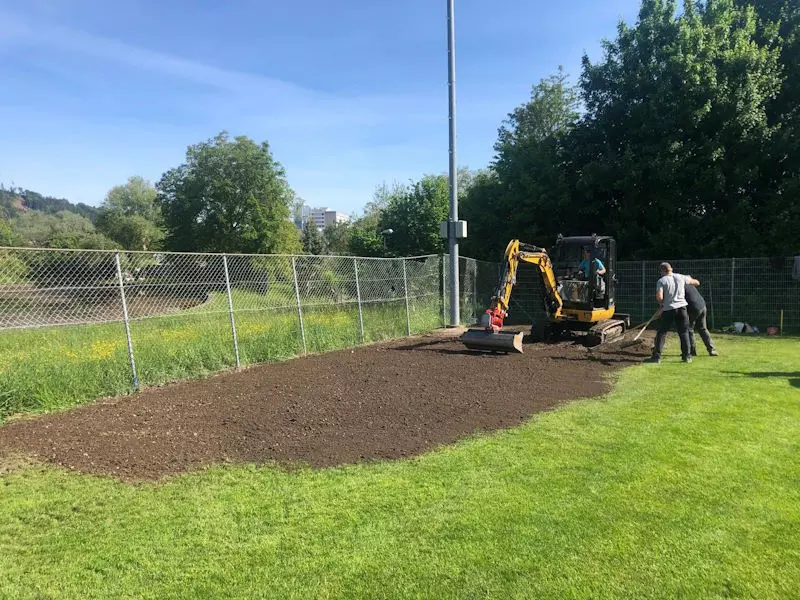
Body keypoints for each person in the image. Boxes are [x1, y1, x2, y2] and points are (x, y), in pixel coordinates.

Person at [645, 262, 699, 364]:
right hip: (682, 308)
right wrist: (688, 280)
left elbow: (660, 297)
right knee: (683, 332)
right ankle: (687, 356)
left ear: (662, 271)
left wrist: (661, 305)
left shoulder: (661, 281)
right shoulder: (680, 277)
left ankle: (657, 357)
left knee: (662, 332)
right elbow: (696, 282)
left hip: (669, 309)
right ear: (671, 269)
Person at [685, 283, 719, 357]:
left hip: (693, 308)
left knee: (689, 329)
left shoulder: (679, 287)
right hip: (702, 306)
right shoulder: (688, 284)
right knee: (703, 328)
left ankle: (692, 351)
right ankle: (712, 350)